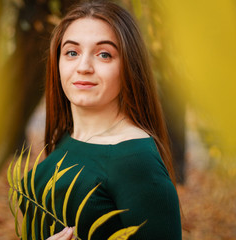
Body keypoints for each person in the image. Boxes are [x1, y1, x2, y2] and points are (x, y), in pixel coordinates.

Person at [20, 1, 182, 239]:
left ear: (128, 66)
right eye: (72, 52)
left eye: (104, 54)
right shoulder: (67, 135)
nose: (83, 67)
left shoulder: (135, 160)